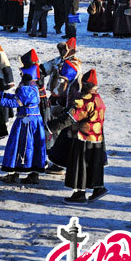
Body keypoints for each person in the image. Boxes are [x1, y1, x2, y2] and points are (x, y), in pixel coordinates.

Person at [49, 69, 108, 204]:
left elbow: (70, 118)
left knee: (79, 166)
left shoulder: (84, 101)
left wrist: (52, 126)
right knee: (94, 164)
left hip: (83, 138)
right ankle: (98, 188)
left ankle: (79, 194)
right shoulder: (98, 98)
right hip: (97, 138)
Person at [0, 63, 46, 185]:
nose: (20, 75)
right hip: (35, 121)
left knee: (18, 146)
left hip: (25, 123)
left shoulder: (25, 89)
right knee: (34, 146)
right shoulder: (34, 88)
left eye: (22, 73)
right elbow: (16, 97)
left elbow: (14, 103)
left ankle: (14, 174)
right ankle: (33, 174)